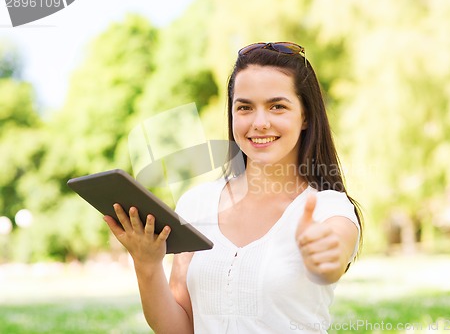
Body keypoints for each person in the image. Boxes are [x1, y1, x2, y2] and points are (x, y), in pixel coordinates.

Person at [103, 42, 363, 333]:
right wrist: (146, 264)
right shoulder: (196, 204)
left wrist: (325, 252)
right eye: (245, 107)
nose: (259, 122)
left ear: (305, 116)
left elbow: (334, 248)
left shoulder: (329, 208)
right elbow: (179, 328)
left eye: (277, 106)